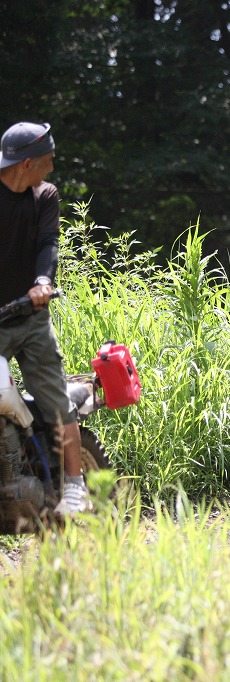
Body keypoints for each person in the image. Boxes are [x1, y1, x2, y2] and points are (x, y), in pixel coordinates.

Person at [0, 121, 91, 515]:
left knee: (55, 400)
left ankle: (75, 487)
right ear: (27, 163)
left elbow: (47, 244)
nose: (52, 168)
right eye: (48, 160)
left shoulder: (45, 195)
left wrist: (42, 282)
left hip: (31, 316)